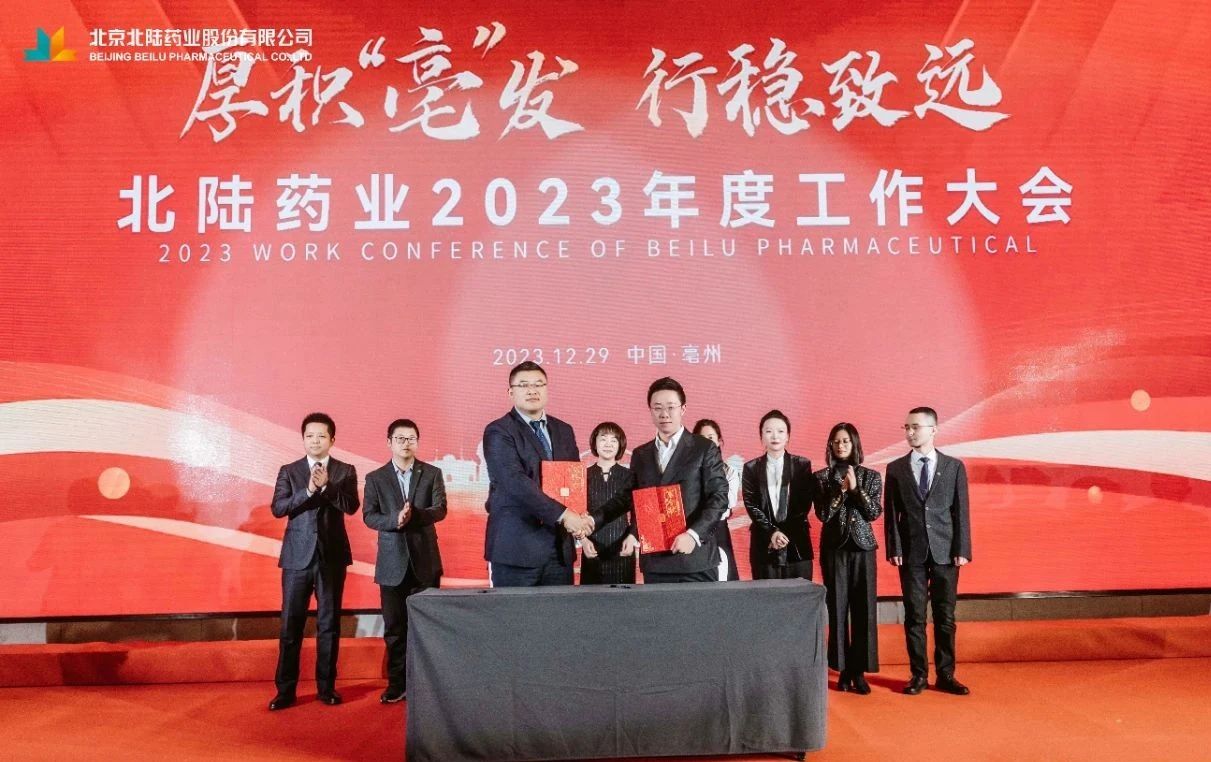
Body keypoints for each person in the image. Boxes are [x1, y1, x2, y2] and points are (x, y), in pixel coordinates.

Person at [591, 377, 728, 583]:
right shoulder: (641, 454)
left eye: (671, 407)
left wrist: (693, 535)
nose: (664, 414)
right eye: (657, 408)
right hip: (655, 562)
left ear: (683, 409)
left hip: (694, 560)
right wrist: (593, 520)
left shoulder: (704, 448)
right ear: (650, 410)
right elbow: (627, 498)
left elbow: (719, 497)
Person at [268, 412, 359, 710]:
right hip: (297, 557)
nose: (315, 441)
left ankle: (326, 688)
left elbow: (351, 506)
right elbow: (279, 508)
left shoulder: (345, 470)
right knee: (290, 625)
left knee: (329, 625)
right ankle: (285, 691)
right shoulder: (289, 471)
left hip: (331, 557)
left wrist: (328, 487)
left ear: (332, 439)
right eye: (310, 436)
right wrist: (308, 491)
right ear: (303, 439)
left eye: (321, 436)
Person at [885, 406, 972, 696]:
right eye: (907, 427)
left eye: (916, 427)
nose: (910, 432)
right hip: (911, 553)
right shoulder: (896, 468)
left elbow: (961, 511)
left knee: (945, 617)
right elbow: (892, 514)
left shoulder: (953, 466)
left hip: (946, 552)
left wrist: (962, 548)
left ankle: (946, 675)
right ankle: (918, 675)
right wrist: (895, 547)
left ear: (933, 430)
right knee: (914, 616)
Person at [362, 418, 447, 704]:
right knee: (395, 629)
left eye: (411, 438)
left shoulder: (432, 473)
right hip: (391, 563)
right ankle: (396, 684)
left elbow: (440, 509)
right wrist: (394, 520)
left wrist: (414, 515)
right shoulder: (375, 478)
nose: (406, 443)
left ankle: (427, 686)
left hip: (426, 561)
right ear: (389, 442)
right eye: (400, 438)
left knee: (428, 628)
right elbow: (369, 516)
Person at [483, 361, 591, 586]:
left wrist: (579, 514)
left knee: (558, 610)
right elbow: (514, 482)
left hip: (559, 551)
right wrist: (565, 515)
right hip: (517, 550)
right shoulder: (498, 431)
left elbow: (572, 479)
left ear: (547, 389)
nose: (532, 390)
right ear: (511, 392)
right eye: (524, 385)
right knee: (515, 610)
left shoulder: (564, 430)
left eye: (538, 384)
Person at [813, 423, 881, 694]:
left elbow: (873, 512)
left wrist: (856, 490)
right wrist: (840, 491)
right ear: (830, 445)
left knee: (864, 610)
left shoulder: (871, 476)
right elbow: (823, 515)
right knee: (838, 609)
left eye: (846, 441)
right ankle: (842, 670)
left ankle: (859, 671)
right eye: (836, 441)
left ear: (854, 444)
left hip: (863, 550)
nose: (841, 446)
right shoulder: (821, 477)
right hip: (834, 550)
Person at [742, 410, 815, 580]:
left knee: (799, 594)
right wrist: (772, 532)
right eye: (769, 431)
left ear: (788, 436)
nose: (775, 436)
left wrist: (783, 534)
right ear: (761, 436)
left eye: (780, 431)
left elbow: (803, 504)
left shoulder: (802, 464)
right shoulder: (751, 468)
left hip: (796, 543)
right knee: (766, 594)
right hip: (764, 543)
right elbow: (751, 504)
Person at [579, 422, 638, 585]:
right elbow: (576, 512)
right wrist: (583, 540)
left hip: (622, 547)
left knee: (623, 598)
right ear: (594, 443)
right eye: (603, 439)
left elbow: (639, 511)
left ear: (620, 445)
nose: (608, 444)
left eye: (614, 440)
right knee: (591, 597)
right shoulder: (582, 475)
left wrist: (633, 536)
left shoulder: (630, 476)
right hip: (591, 547)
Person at [692, 419, 740, 581]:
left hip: (718, 529)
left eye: (711, 437)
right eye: (702, 438)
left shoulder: (729, 471)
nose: (706, 442)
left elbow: (729, 502)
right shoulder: (688, 471)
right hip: (695, 529)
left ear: (719, 441)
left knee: (724, 577)